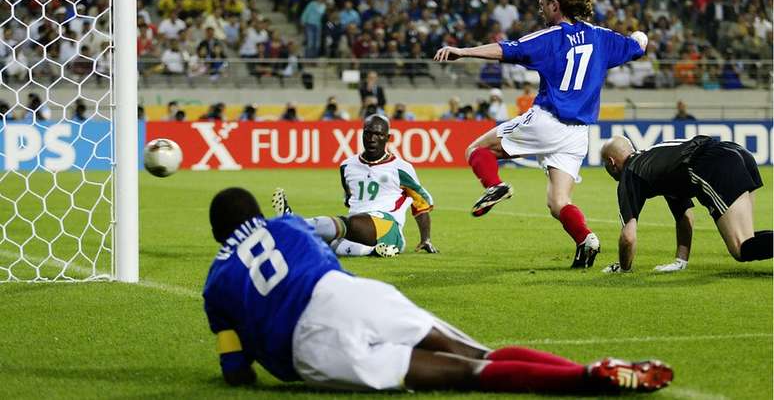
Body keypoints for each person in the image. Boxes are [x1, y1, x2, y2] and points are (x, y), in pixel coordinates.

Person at [203, 187, 675, 393]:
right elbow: (330, 241)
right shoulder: (285, 226)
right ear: (255, 216)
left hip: (309, 344)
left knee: (462, 375)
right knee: (478, 353)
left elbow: (237, 371)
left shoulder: (215, 283)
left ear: (221, 236)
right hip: (346, 294)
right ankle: (588, 369)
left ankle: (586, 381)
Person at [433, 0, 648, 269]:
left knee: (476, 150)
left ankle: (495, 186)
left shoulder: (550, 37)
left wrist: (464, 51)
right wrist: (640, 37)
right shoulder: (601, 36)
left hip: (548, 120)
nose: (541, 11)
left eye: (543, 5)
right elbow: (637, 47)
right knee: (558, 201)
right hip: (578, 134)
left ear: (555, 5)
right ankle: (586, 240)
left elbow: (507, 50)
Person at [600, 135, 772, 273]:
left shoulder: (630, 173)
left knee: (741, 249)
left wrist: (623, 268)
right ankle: (681, 262)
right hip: (736, 152)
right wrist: (680, 261)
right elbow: (684, 217)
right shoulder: (657, 162)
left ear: (611, 162)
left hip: (714, 163)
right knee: (748, 240)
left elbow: (628, 237)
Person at [273, 115, 437, 257]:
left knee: (343, 225)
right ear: (362, 134)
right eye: (368, 133)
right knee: (323, 245)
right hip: (358, 227)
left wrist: (426, 238)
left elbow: (421, 202)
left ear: (388, 138)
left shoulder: (401, 168)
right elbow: (349, 197)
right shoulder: (347, 166)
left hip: (388, 227)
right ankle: (373, 251)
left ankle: (293, 223)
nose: (372, 139)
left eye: (378, 135)